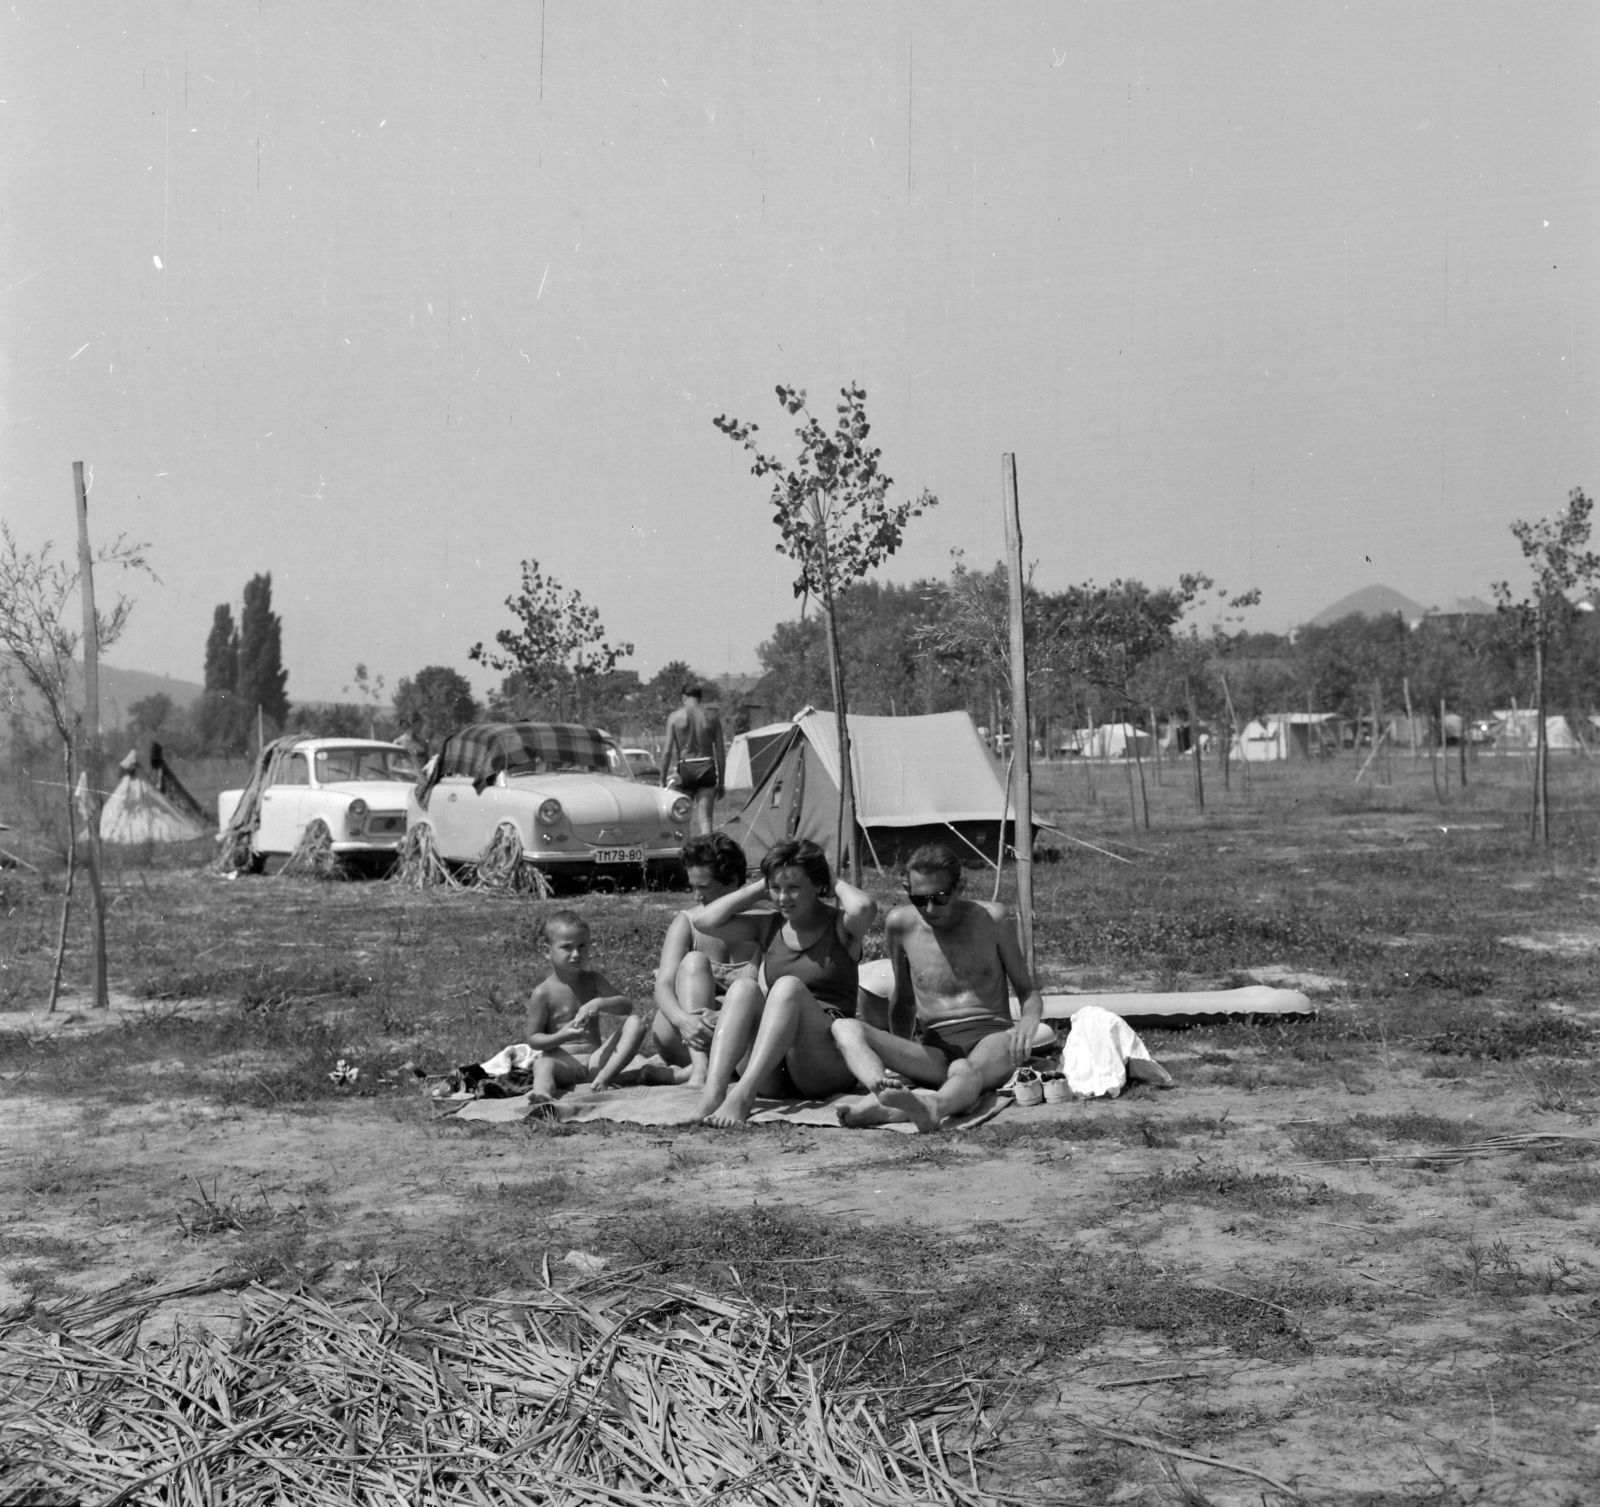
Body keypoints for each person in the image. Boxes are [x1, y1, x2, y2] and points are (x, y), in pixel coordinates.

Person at [830, 843, 1043, 1133]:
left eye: (940, 897)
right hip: (937, 1053)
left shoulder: (993, 918)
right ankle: (883, 1094)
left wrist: (1027, 1026)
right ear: (908, 890)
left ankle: (933, 1108)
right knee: (845, 1028)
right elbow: (903, 1000)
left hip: (992, 1040)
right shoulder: (900, 924)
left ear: (960, 887)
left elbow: (1027, 991)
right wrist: (899, 1061)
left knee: (963, 1070)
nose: (930, 909)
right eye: (919, 899)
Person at [690, 839, 876, 1127]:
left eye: (794, 888)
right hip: (775, 1068)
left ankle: (743, 1095)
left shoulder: (841, 926)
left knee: (788, 988)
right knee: (743, 987)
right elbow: (703, 921)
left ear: (818, 885)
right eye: (776, 889)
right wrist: (757, 888)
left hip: (823, 1064)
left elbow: (863, 907)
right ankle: (714, 1093)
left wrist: (833, 879)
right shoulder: (771, 925)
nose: (783, 898)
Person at [648, 832, 766, 1085]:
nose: (696, 897)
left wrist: (723, 1017)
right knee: (693, 962)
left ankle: (691, 1072)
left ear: (733, 880)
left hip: (737, 1030)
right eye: (692, 887)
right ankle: (700, 1068)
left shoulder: (764, 922)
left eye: (704, 888)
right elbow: (663, 984)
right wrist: (684, 1021)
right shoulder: (687, 922)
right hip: (685, 1033)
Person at [524, 909, 649, 1098]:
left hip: (595, 1062)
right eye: (566, 947)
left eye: (582, 946)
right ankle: (542, 1096)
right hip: (564, 1064)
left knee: (636, 1023)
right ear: (547, 952)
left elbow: (626, 1006)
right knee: (542, 1064)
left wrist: (599, 1003)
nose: (576, 954)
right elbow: (534, 1039)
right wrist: (562, 1036)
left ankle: (605, 1078)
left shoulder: (593, 980)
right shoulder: (544, 992)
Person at [660, 686, 725, 836]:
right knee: (706, 821)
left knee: (681, 820)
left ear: (684, 697)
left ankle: (684, 856)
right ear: (700, 698)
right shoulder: (712, 717)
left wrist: (662, 780)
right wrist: (721, 782)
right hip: (706, 767)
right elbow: (720, 754)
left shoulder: (675, 717)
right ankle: (707, 857)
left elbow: (667, 751)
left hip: (685, 768)